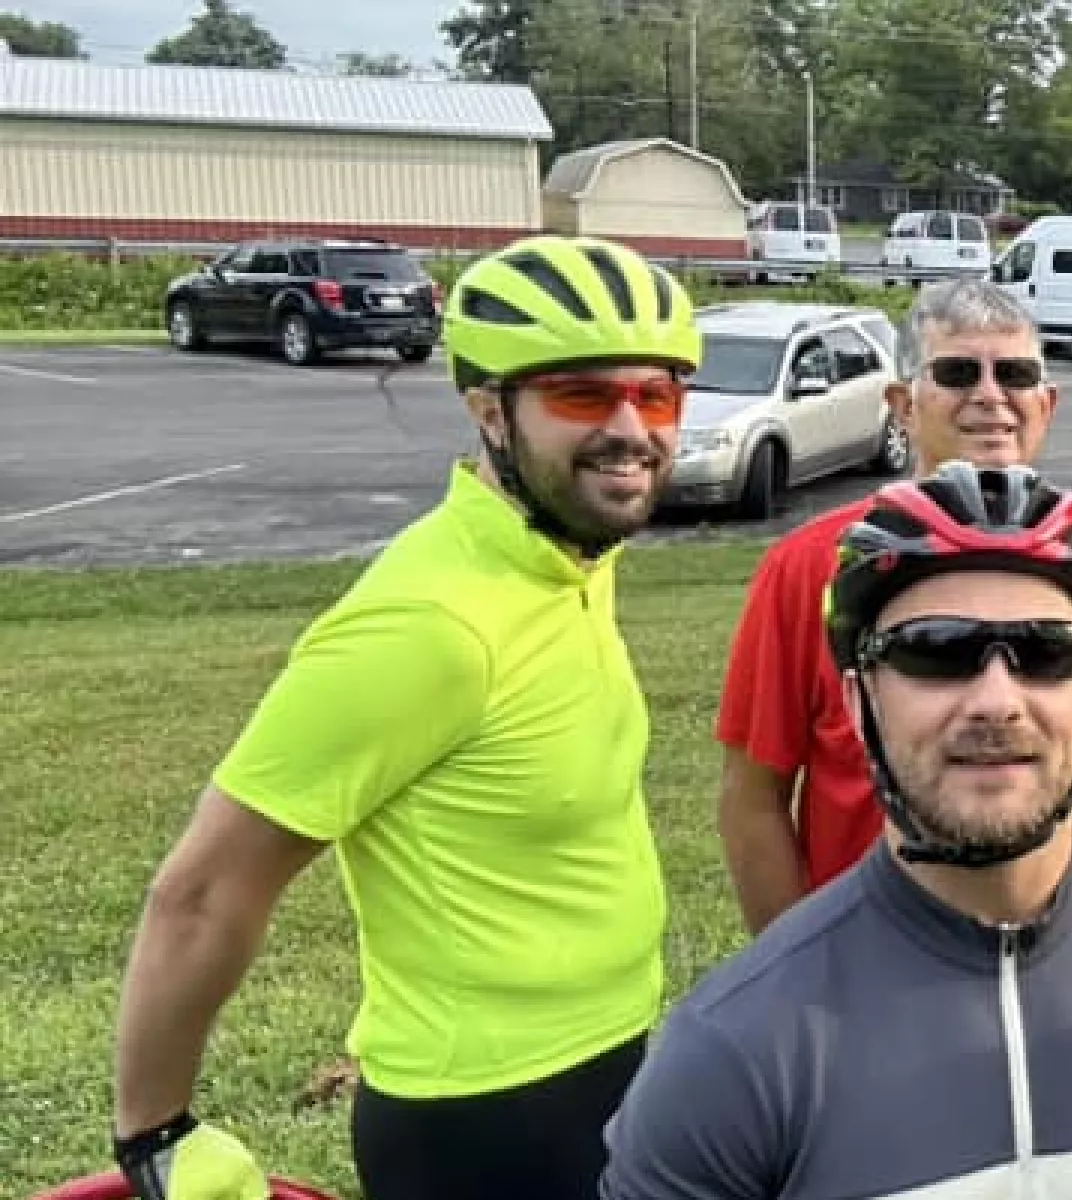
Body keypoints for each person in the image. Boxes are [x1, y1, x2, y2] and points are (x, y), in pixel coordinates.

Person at [109, 235, 700, 1200]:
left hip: (609, 1058)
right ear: (489, 412)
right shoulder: (426, 624)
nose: (631, 427)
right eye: (583, 396)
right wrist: (155, 1131)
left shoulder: (565, 560)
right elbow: (206, 889)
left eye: (658, 394)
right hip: (487, 1117)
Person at [601, 463, 1072, 1199]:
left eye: (1048, 653)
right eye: (937, 652)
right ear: (858, 701)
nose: (996, 701)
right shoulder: (733, 1051)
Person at [714, 279, 1072, 935]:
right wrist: (799, 973)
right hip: (870, 954)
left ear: (1047, 403)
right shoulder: (806, 567)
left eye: (1015, 374)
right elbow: (754, 799)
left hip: (1061, 950)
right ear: (903, 405)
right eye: (957, 372)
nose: (991, 396)